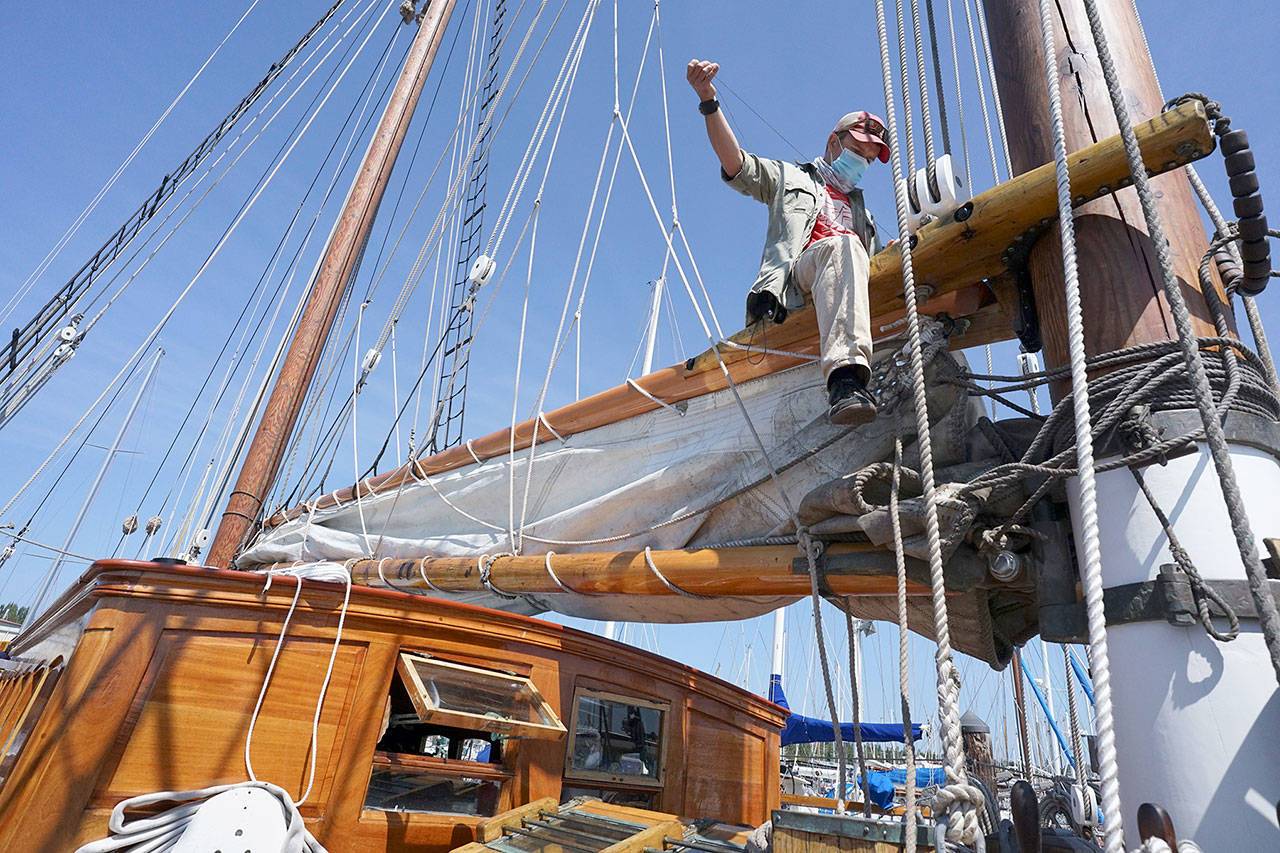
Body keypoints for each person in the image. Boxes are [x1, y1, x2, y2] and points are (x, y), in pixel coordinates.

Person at [686, 59, 890, 426]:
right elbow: (736, 164)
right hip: (798, 283)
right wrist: (709, 102)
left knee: (860, 251)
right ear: (834, 143)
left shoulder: (865, 217)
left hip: (842, 289)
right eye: (858, 152)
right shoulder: (790, 177)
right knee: (842, 246)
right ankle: (845, 381)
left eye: (870, 159)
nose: (863, 162)